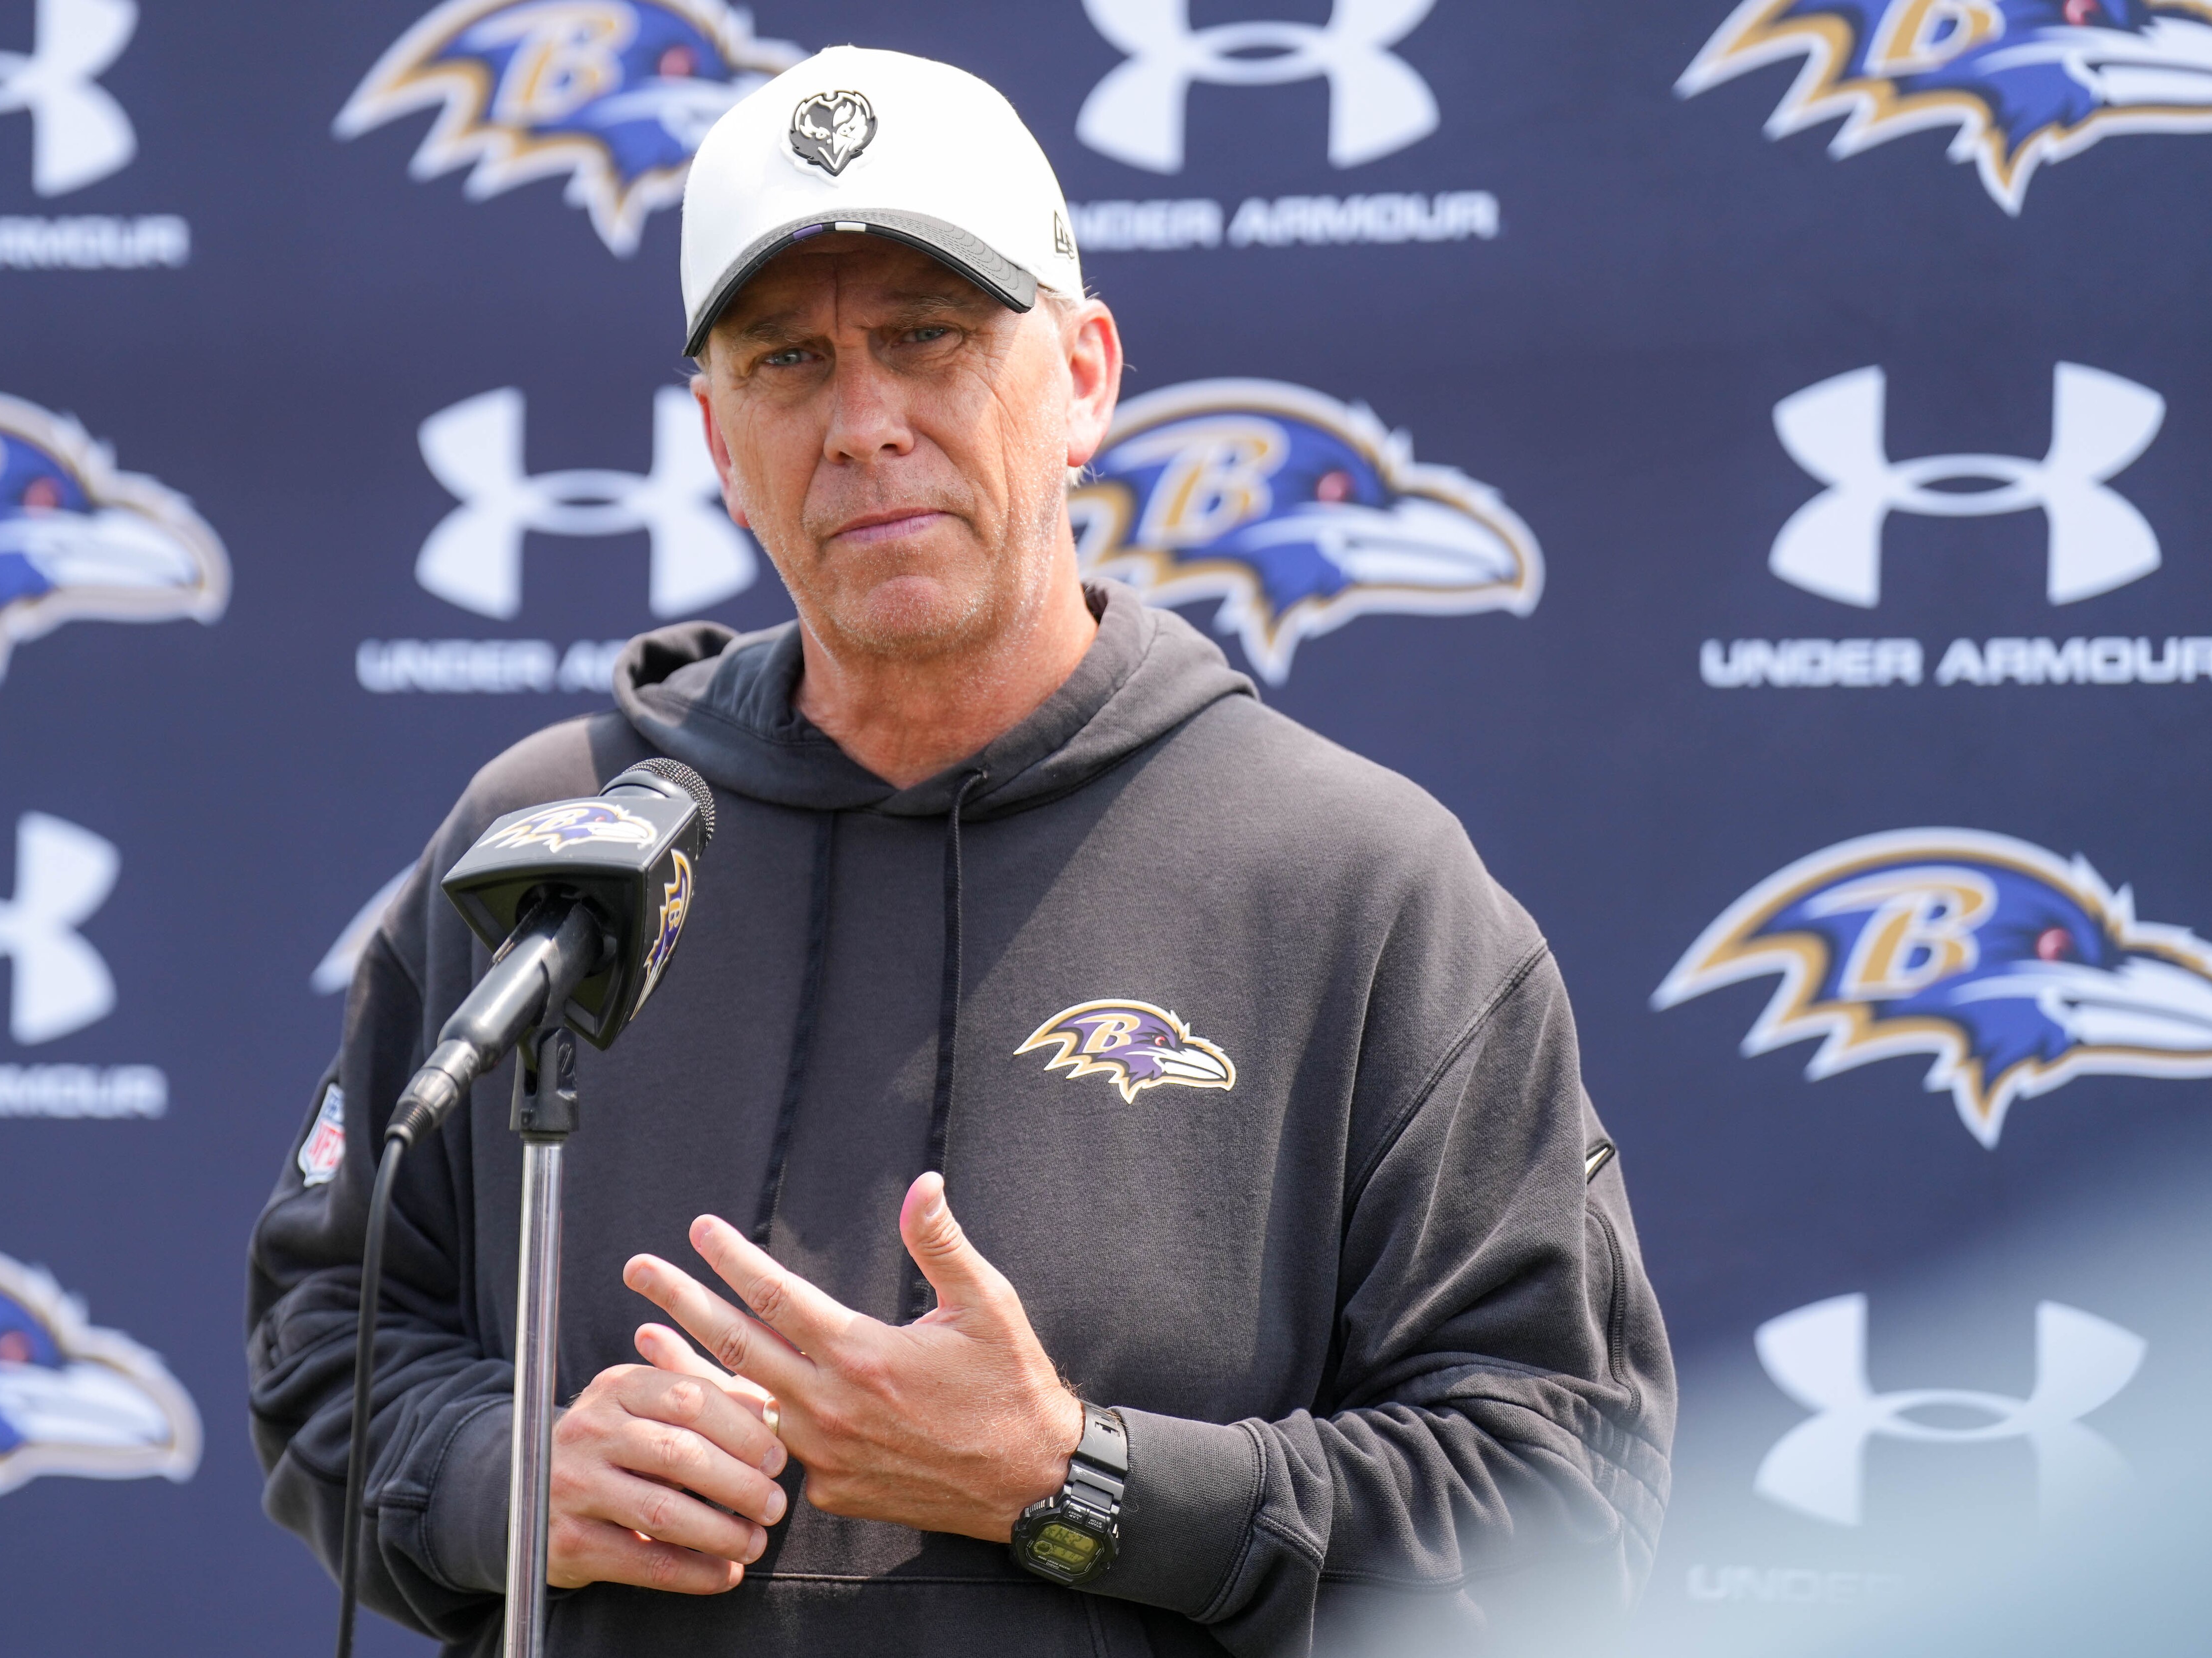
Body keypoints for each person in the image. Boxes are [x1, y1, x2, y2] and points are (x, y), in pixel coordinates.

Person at [248, 45, 1673, 1658]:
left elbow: (1564, 1494)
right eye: (788, 361)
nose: (864, 425)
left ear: (1082, 377)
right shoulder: (552, 843)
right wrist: (510, 1477)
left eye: (929, 336)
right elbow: (331, 1339)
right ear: (719, 443)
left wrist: (1077, 1480)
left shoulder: (1359, 886)